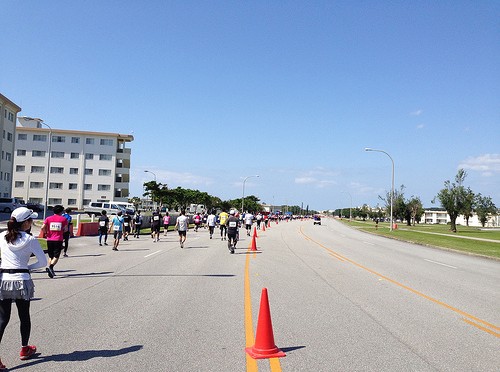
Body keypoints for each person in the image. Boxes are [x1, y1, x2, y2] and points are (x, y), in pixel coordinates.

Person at [0, 207, 47, 366]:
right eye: (31, 220)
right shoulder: (30, 240)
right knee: (24, 316)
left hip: (3, 279)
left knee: (2, 318)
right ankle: (24, 348)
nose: (32, 223)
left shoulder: (1, 237)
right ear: (26, 223)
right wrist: (27, 268)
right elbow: (43, 262)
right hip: (22, 279)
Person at [41, 205, 68, 278]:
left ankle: (51, 269)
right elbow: (66, 229)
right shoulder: (63, 219)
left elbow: (42, 227)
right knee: (56, 256)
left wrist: (46, 232)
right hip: (58, 239)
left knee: (50, 255)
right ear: (61, 211)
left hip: (49, 239)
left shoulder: (48, 218)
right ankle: (51, 267)